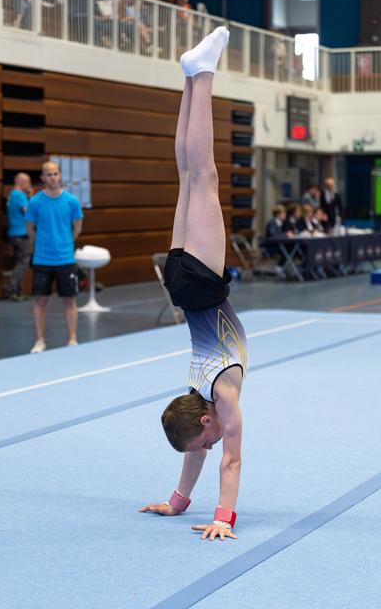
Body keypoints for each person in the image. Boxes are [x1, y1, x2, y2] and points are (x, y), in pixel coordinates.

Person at [140, 27, 248, 542]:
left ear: (205, 422)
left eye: (198, 441)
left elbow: (230, 458)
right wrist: (178, 502)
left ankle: (202, 74)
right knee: (187, 175)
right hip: (181, 285)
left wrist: (222, 518)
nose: (204, 448)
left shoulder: (222, 395)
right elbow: (198, 449)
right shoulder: (193, 394)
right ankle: (190, 76)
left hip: (203, 285)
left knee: (202, 175)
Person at [25, 161, 83, 354]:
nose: (52, 177)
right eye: (48, 174)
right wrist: (44, 243)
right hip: (42, 260)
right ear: (42, 178)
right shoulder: (35, 203)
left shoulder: (71, 201)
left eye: (55, 173)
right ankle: (40, 340)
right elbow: (30, 230)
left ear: (60, 176)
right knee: (40, 301)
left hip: (65, 259)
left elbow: (77, 227)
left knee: (70, 300)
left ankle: (72, 338)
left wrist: (65, 243)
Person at [4, 172, 33, 301]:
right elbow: (29, 213)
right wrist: (31, 196)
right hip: (22, 234)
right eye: (28, 182)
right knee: (23, 263)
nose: (30, 185)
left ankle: (18, 290)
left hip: (14, 233)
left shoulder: (12, 195)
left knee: (20, 262)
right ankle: (11, 289)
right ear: (22, 183)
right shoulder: (20, 195)